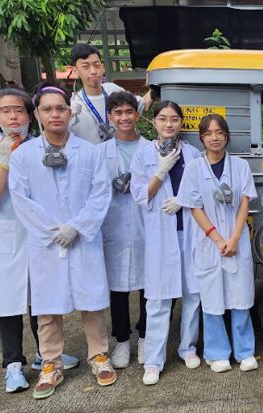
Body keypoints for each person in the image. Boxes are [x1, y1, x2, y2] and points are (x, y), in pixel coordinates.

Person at [9, 83, 116, 399]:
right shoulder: (24, 155)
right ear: (38, 114)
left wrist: (77, 227)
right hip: (46, 243)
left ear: (71, 112)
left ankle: (99, 356)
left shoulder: (90, 153)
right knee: (47, 307)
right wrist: (53, 230)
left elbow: (100, 194)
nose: (55, 114)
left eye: (61, 108)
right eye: (48, 109)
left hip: (83, 239)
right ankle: (51, 364)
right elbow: (21, 198)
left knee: (92, 301)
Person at [0, 88, 80, 393]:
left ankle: (44, 356)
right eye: (6, 111)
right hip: (7, 238)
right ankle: (13, 364)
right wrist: (4, 162)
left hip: (38, 233)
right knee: (7, 302)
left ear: (30, 115)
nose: (14, 116)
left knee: (41, 298)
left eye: (19, 110)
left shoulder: (39, 148)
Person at [176, 114, 259, 373]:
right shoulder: (194, 169)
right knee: (211, 298)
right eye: (209, 133)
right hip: (209, 242)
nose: (215, 137)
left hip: (237, 239)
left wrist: (234, 238)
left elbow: (245, 202)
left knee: (241, 296)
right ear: (202, 137)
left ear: (227, 136)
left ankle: (244, 351)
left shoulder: (240, 166)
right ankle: (217, 352)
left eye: (219, 132)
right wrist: (218, 239)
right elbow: (194, 208)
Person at [130, 101, 202, 385]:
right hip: (160, 236)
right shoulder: (142, 155)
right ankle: (154, 361)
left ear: (181, 123)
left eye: (174, 119)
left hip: (190, 232)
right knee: (158, 298)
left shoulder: (193, 154)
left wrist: (183, 199)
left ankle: (188, 348)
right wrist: (160, 172)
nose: (169, 124)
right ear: (154, 122)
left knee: (193, 294)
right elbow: (140, 196)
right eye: (163, 119)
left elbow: (202, 193)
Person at [97, 91, 149, 368]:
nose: (124, 117)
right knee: (117, 289)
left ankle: (144, 337)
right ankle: (121, 341)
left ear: (137, 115)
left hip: (144, 226)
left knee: (147, 287)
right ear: (110, 117)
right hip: (113, 227)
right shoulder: (100, 152)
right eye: (118, 113)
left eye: (129, 112)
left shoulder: (151, 148)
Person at [68, 43, 152, 145]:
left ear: (102, 67)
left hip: (120, 156)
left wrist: (155, 87)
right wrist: (69, 116)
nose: (93, 71)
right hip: (91, 159)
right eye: (86, 67)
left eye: (97, 65)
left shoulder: (112, 90)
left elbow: (143, 104)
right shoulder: (74, 105)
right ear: (76, 71)